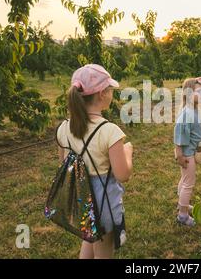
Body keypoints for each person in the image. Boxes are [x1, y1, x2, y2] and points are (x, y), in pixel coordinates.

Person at [55, 64, 133, 259]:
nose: (111, 94)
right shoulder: (109, 131)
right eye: (110, 90)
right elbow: (123, 174)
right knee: (103, 251)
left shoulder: (64, 127)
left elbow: (64, 163)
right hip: (102, 203)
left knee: (89, 237)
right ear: (101, 94)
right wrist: (128, 152)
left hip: (80, 200)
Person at [173, 77, 201, 226]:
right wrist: (179, 155)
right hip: (187, 155)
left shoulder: (192, 109)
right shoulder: (187, 113)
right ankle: (183, 215)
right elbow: (179, 135)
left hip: (190, 152)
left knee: (184, 180)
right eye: (198, 91)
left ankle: (182, 204)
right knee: (189, 183)